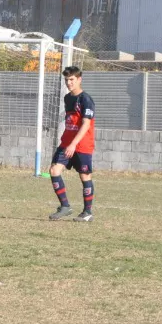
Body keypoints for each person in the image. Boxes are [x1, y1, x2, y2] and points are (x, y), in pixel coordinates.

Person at [49, 65, 95, 222]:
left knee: (84, 176)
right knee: (54, 170)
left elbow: (86, 124)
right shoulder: (67, 98)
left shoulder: (86, 99)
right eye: (66, 80)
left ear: (79, 79)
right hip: (66, 143)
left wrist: (74, 144)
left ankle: (87, 212)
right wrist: (68, 143)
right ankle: (65, 206)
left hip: (82, 145)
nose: (69, 83)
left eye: (72, 80)